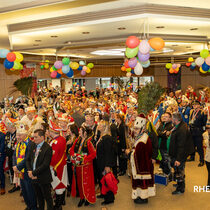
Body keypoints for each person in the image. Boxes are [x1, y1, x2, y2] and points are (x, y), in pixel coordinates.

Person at [126, 115, 155, 204]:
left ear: (142, 129)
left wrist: (129, 153)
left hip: (142, 166)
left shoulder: (143, 140)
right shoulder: (142, 137)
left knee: (142, 182)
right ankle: (140, 196)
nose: (135, 131)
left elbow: (138, 154)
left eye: (137, 129)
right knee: (140, 182)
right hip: (143, 165)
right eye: (134, 129)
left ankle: (143, 197)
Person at [26, 129, 54, 210]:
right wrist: (30, 171)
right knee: (39, 197)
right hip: (33, 176)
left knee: (48, 198)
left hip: (43, 177)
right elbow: (28, 159)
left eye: (36, 137)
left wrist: (34, 173)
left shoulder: (47, 148)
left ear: (42, 137)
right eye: (33, 137)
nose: (34, 139)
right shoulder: (33, 145)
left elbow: (45, 164)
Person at [69, 126, 96, 207]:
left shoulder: (89, 142)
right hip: (78, 166)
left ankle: (88, 198)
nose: (79, 132)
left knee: (87, 183)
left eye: (80, 131)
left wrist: (84, 159)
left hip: (86, 167)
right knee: (79, 183)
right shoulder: (77, 140)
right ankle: (82, 198)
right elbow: (71, 150)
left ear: (85, 132)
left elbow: (93, 154)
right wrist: (73, 155)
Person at [13, 121, 37, 210]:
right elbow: (14, 155)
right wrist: (15, 166)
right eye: (17, 135)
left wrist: (17, 167)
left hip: (27, 170)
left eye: (19, 135)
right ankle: (29, 206)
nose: (17, 137)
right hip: (19, 171)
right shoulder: (18, 143)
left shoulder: (30, 144)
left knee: (30, 190)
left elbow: (28, 158)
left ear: (25, 135)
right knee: (24, 190)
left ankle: (33, 207)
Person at [169, 113, 194, 195]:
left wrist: (178, 159)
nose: (171, 120)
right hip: (177, 153)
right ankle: (179, 183)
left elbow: (181, 145)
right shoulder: (179, 125)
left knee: (180, 170)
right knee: (177, 170)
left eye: (172, 118)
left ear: (175, 120)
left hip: (180, 155)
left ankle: (181, 188)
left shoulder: (182, 129)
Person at [96, 120, 116, 205]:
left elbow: (108, 153)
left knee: (107, 181)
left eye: (100, 125)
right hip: (100, 161)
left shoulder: (107, 138)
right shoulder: (101, 136)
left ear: (104, 127)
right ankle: (103, 193)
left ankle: (109, 198)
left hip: (105, 163)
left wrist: (107, 165)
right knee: (101, 179)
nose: (98, 126)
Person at [49, 120, 67, 210]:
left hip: (57, 167)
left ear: (52, 132)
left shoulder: (56, 142)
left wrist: (49, 165)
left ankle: (58, 206)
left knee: (58, 185)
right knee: (61, 184)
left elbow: (54, 157)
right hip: (62, 165)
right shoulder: (61, 139)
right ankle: (61, 202)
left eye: (49, 131)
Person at [188, 100, 207, 166]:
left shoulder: (202, 113)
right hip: (192, 130)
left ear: (199, 105)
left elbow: (204, 123)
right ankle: (192, 157)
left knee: (199, 147)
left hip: (198, 131)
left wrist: (203, 131)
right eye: (193, 104)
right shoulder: (191, 112)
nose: (194, 106)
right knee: (192, 145)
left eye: (196, 104)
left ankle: (202, 160)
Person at [4, 118, 20, 193]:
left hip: (17, 156)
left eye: (8, 126)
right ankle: (15, 185)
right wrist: (7, 155)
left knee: (17, 170)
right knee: (11, 169)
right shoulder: (7, 134)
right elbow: (6, 145)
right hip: (10, 156)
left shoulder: (18, 134)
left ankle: (19, 185)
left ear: (12, 127)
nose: (6, 128)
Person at [66, 123, 79, 197]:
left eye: (69, 129)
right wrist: (66, 144)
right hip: (68, 159)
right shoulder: (68, 138)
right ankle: (70, 188)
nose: (68, 130)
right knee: (69, 174)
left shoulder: (77, 138)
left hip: (74, 160)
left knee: (75, 174)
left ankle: (76, 189)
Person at [0, 122, 6, 195]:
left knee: (0, 171)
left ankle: (2, 186)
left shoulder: (2, 135)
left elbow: (2, 147)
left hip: (0, 155)